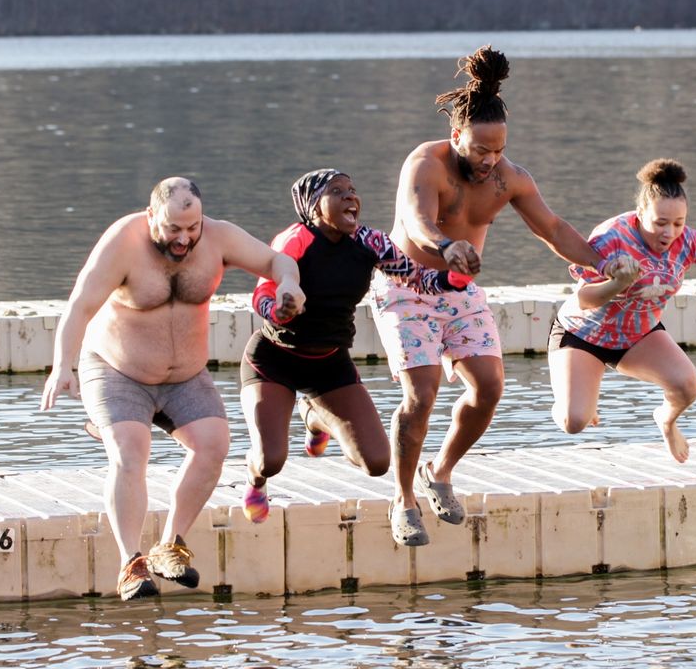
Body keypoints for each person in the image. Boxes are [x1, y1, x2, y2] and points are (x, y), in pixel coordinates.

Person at [374, 45, 638, 546]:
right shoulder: (425, 164)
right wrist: (446, 246)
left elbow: (554, 229)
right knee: (422, 394)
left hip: (459, 289)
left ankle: (441, 472)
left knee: (490, 386)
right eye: (479, 150)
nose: (489, 161)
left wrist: (603, 265)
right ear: (457, 136)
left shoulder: (509, 179)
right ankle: (403, 499)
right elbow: (416, 222)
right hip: (406, 285)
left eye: (497, 151)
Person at [40, 177, 305, 601]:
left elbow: (278, 261)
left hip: (184, 376)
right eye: (172, 229)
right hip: (117, 370)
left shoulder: (218, 237)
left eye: (192, 228)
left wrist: (288, 285)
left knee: (215, 444)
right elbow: (80, 304)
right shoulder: (123, 242)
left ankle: (171, 544)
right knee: (130, 451)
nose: (184, 239)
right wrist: (62, 366)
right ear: (151, 217)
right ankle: (132, 562)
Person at [239, 168, 468, 524]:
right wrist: (280, 311)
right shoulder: (295, 240)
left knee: (377, 463)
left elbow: (416, 278)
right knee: (271, 460)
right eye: (337, 191)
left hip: (329, 364)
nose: (350, 197)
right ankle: (254, 478)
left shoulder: (369, 242)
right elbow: (263, 294)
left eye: (352, 190)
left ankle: (315, 417)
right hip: (274, 360)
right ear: (314, 207)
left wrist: (454, 277)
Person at [548, 158, 696, 462]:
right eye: (660, 223)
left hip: (636, 336)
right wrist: (617, 283)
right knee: (574, 422)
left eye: (678, 223)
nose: (669, 233)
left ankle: (666, 419)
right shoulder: (612, 238)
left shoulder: (689, 242)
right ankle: (574, 399)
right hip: (581, 334)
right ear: (639, 215)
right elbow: (584, 299)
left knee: (687, 386)